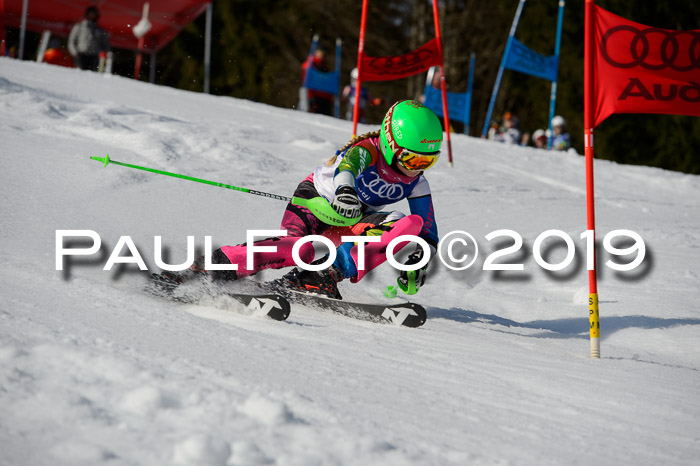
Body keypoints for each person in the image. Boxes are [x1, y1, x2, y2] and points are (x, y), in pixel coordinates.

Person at [158, 100, 443, 299]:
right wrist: (345, 191)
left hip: (350, 223)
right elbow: (348, 169)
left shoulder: (417, 183)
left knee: (408, 222)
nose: (416, 167)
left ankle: (320, 276)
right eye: (412, 158)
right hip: (314, 203)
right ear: (391, 143)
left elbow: (428, 229)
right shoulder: (367, 150)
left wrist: (420, 257)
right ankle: (211, 266)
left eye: (427, 161)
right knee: (299, 250)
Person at [68, 6, 110, 71]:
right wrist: (75, 53)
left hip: (94, 57)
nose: (92, 15)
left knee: (91, 76)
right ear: (87, 14)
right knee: (79, 73)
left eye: (94, 14)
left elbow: (105, 44)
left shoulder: (100, 30)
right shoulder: (79, 26)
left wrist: (104, 54)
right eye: (91, 13)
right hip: (81, 55)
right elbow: (72, 41)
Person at [301, 49, 334, 116]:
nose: (321, 55)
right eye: (320, 53)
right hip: (313, 94)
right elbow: (305, 74)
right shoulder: (311, 64)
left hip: (324, 95)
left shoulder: (324, 66)